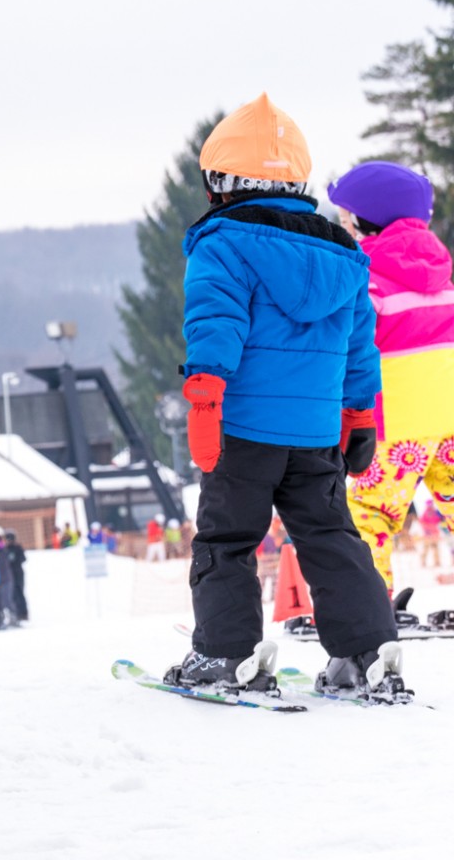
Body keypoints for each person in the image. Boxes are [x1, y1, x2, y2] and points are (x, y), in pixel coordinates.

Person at [169, 95, 403, 698]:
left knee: (227, 541)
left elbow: (215, 328)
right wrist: (358, 417)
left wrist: (204, 403)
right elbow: (359, 348)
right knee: (330, 539)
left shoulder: (222, 243)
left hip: (243, 431)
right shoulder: (344, 254)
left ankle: (225, 657)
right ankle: (365, 654)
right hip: (318, 436)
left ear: (220, 180)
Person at [326, 161, 454, 593]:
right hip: (450, 419)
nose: (346, 230)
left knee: (369, 515)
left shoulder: (367, 282)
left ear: (367, 221)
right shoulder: (443, 277)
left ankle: (370, 606)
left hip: (394, 426)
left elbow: (349, 347)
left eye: (347, 221)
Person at [0, 528, 29, 625]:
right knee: (12, 595)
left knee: (19, 593)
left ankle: (23, 613)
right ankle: (16, 613)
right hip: (10, 575)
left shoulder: (17, 548)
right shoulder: (5, 549)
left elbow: (23, 559)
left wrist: (14, 561)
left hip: (18, 574)